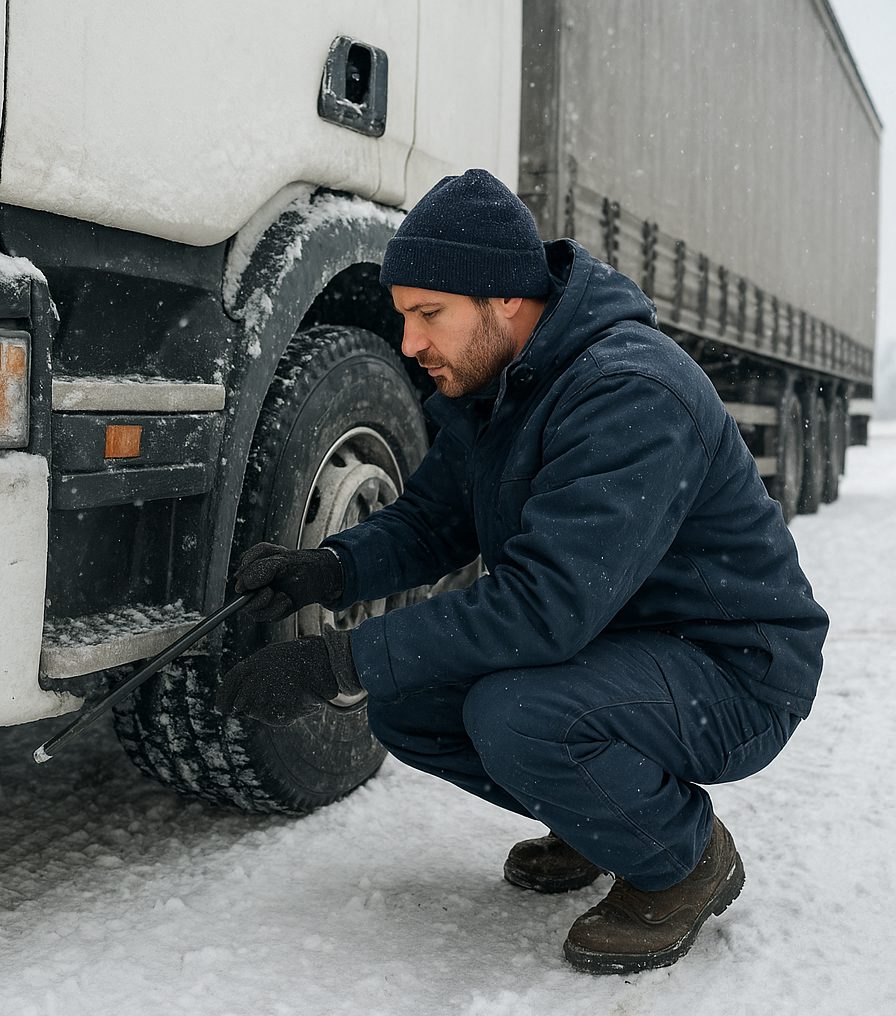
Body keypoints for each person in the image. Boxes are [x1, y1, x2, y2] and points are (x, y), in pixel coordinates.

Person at [215, 169, 829, 974]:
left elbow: (544, 606)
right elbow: (437, 521)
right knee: (412, 699)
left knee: (518, 713)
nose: (411, 345)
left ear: (505, 298)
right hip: (621, 641)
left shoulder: (629, 392)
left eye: (428, 315)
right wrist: (327, 570)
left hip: (734, 669)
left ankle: (682, 859)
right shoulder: (503, 384)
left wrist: (339, 661)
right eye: (405, 318)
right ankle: (599, 816)